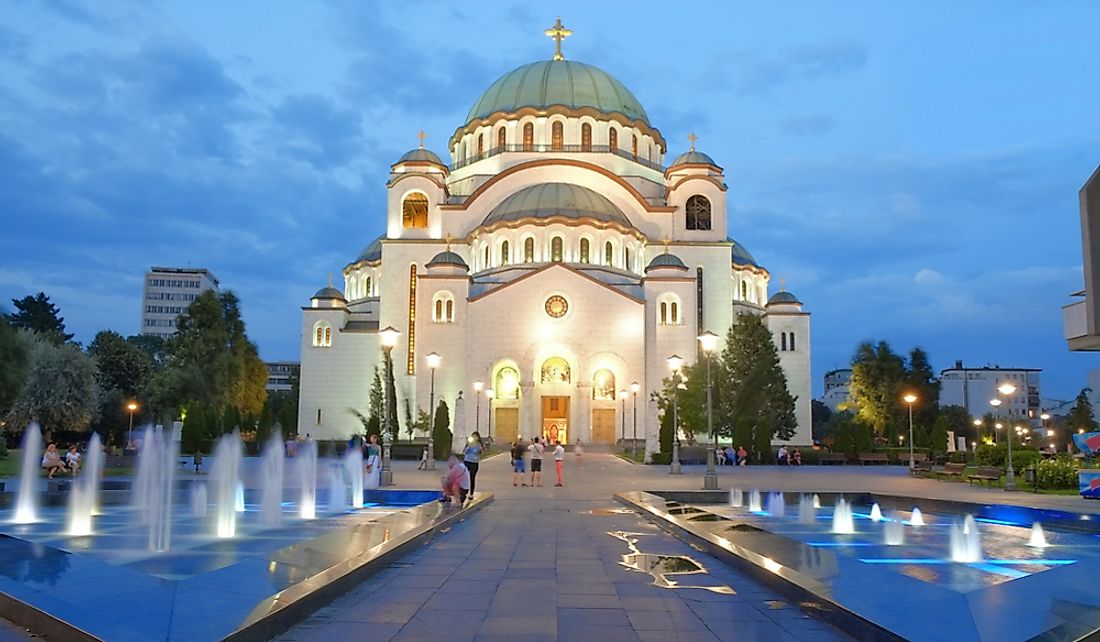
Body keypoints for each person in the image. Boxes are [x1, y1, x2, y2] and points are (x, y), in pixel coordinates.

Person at [464, 431, 483, 498]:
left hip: (474, 463)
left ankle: (471, 493)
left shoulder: (479, 445)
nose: (474, 438)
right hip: (467, 461)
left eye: (476, 436)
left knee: (472, 478)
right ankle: (464, 491)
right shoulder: (469, 444)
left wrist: (477, 448)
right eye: (473, 436)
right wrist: (469, 445)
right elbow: (465, 452)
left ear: (478, 438)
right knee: (464, 477)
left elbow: (479, 452)